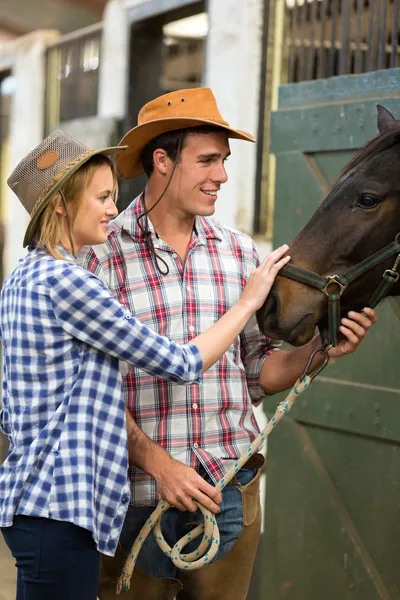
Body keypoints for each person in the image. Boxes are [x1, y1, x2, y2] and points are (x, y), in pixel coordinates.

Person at [81, 88, 378, 600]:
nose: (221, 174)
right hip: (131, 501)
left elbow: (258, 372)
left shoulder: (241, 253)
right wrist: (159, 464)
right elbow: (89, 388)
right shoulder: (101, 256)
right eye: (207, 160)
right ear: (162, 161)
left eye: (224, 161)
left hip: (230, 493)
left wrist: (320, 353)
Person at [0, 130, 291, 600]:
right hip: (68, 504)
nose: (113, 210)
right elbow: (178, 362)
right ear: (60, 205)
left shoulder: (23, 277)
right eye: (101, 197)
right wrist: (248, 301)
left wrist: (318, 349)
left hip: (44, 502)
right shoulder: (74, 278)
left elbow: (21, 404)